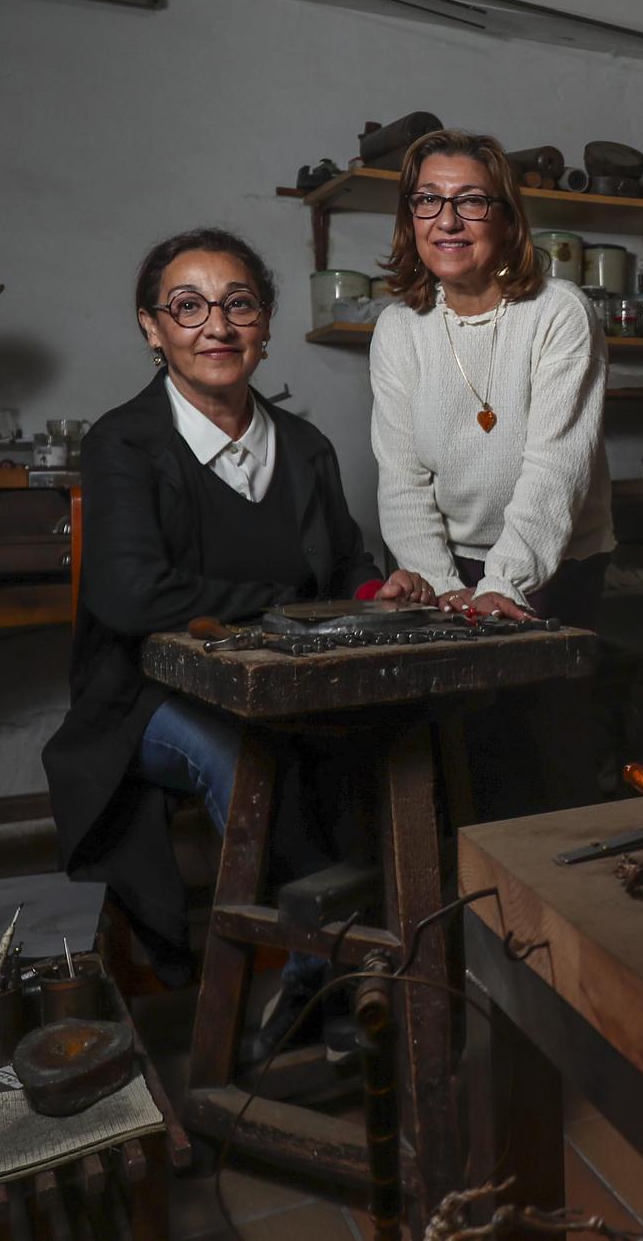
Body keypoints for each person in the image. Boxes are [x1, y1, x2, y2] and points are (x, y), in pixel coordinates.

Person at [43, 227, 431, 1030]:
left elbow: (344, 565)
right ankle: (328, 970)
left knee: (396, 740)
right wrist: (285, 606)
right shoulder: (124, 442)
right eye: (187, 307)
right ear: (152, 328)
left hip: (287, 686)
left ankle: (352, 965)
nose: (215, 326)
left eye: (239, 304)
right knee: (238, 752)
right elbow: (127, 594)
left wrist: (376, 589)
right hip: (143, 699)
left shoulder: (305, 446)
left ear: (264, 326)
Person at [369, 129, 614, 806]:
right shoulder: (399, 329)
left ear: (507, 218)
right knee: (456, 758)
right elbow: (401, 477)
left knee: (546, 757)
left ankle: (553, 905)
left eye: (471, 201)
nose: (447, 220)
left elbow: (556, 464)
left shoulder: (560, 314)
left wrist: (501, 583)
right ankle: (467, 905)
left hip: (555, 563)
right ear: (409, 218)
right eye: (428, 200)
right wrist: (444, 586)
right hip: (451, 568)